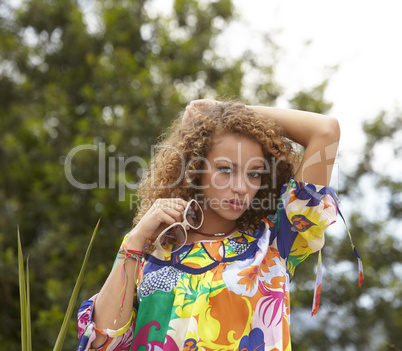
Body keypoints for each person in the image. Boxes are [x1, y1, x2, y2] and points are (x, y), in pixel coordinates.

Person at [77, 99, 363, 351]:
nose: (241, 187)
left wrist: (226, 114)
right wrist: (135, 240)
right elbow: (103, 342)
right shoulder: (151, 252)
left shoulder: (274, 242)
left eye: (254, 174)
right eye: (226, 170)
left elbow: (325, 131)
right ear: (195, 168)